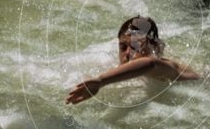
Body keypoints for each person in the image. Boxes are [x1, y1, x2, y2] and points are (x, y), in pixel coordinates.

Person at [65, 16, 200, 105]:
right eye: (123, 47)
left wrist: (102, 81)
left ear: (155, 48)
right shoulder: (113, 66)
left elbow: (149, 64)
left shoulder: (166, 67)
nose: (128, 53)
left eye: (136, 46)